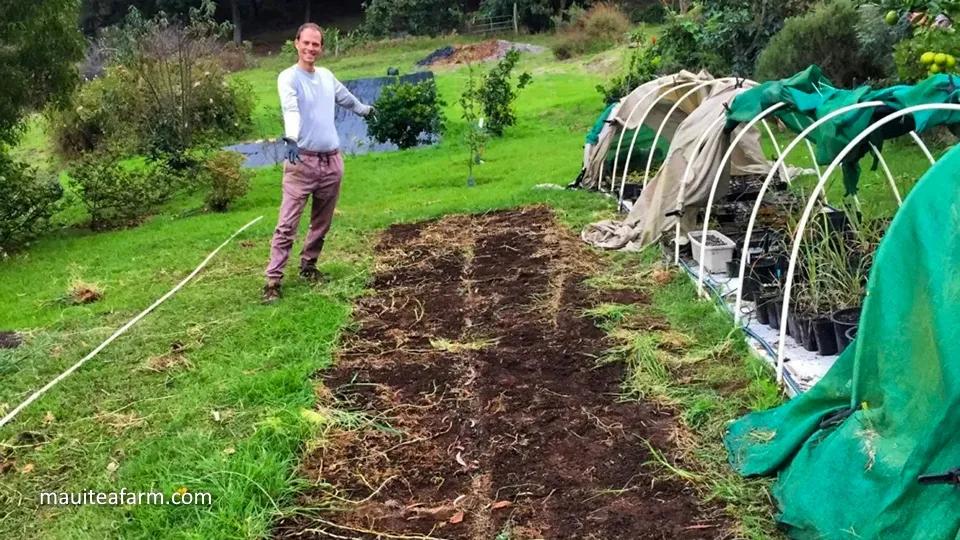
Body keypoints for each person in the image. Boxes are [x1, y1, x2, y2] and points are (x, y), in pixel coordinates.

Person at [263, 23, 375, 304]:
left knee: (321, 223)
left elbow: (345, 98)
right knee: (287, 224)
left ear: (321, 48)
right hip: (302, 161)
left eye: (316, 44)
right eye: (306, 43)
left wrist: (364, 110)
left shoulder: (326, 76)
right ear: (296, 43)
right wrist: (290, 137)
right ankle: (273, 281)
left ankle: (308, 266)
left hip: (332, 161)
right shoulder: (288, 77)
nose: (311, 48)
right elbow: (290, 108)